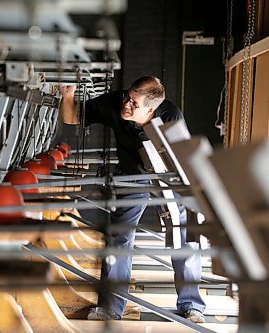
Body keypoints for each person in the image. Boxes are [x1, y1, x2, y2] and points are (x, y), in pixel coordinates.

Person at [59, 76, 206, 323]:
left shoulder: (171, 118)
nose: (127, 105)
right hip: (132, 174)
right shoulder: (116, 103)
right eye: (128, 97)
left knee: (184, 233)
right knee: (119, 234)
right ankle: (111, 307)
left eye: (134, 104)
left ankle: (192, 305)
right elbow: (73, 117)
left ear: (151, 109)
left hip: (167, 173)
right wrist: (68, 95)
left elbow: (181, 162)